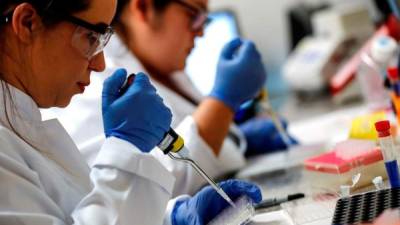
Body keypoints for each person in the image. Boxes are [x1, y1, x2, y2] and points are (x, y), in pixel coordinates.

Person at [0, 0, 262, 224]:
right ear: (27, 23)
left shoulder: (22, 123)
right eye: (91, 36)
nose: (100, 63)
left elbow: (76, 213)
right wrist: (127, 148)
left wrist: (171, 217)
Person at [42, 0, 296, 196]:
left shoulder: (166, 67)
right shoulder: (98, 83)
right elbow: (137, 187)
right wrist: (223, 100)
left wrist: (236, 138)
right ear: (143, 7)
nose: (201, 32)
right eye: (194, 15)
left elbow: (199, 136)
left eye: (205, 20)